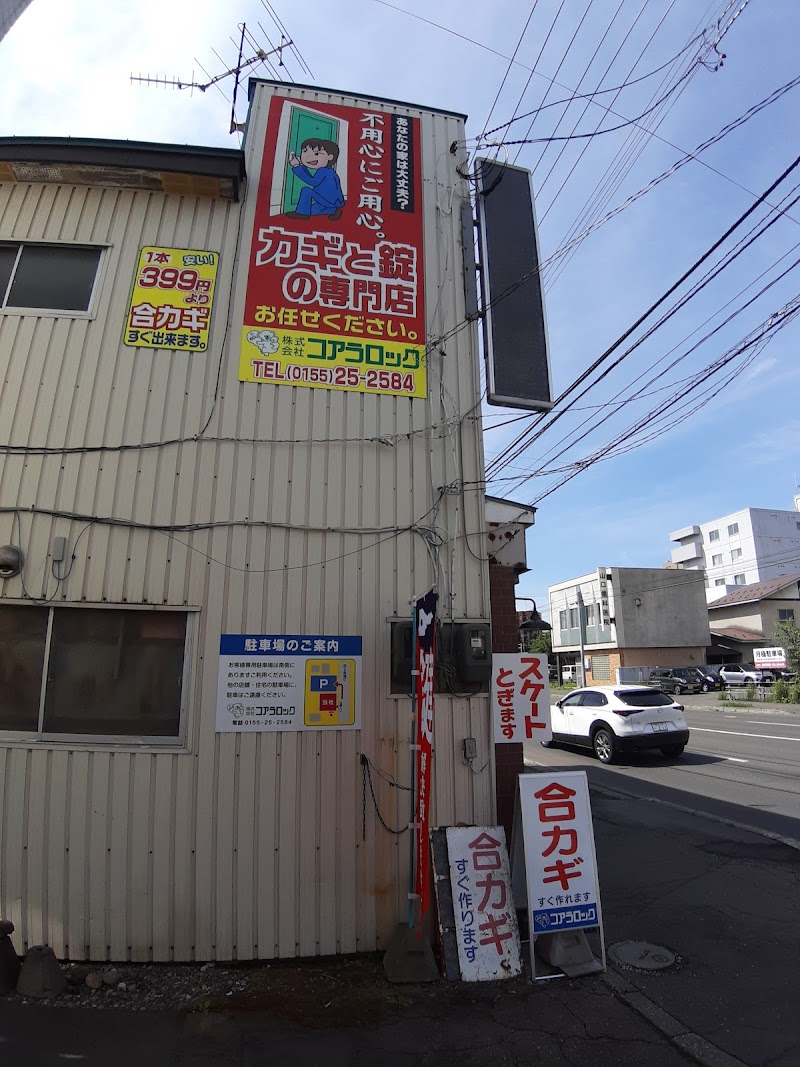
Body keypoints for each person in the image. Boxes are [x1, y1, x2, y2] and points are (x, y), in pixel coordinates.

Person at [286, 138, 344, 220]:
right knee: (312, 210)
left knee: (306, 190)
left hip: (328, 200)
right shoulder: (327, 170)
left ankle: (302, 214)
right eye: (305, 152)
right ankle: (333, 210)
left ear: (330, 157)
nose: (309, 157)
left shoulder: (324, 171)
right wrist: (301, 166)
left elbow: (312, 182)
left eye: (316, 154)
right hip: (330, 201)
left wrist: (297, 166)